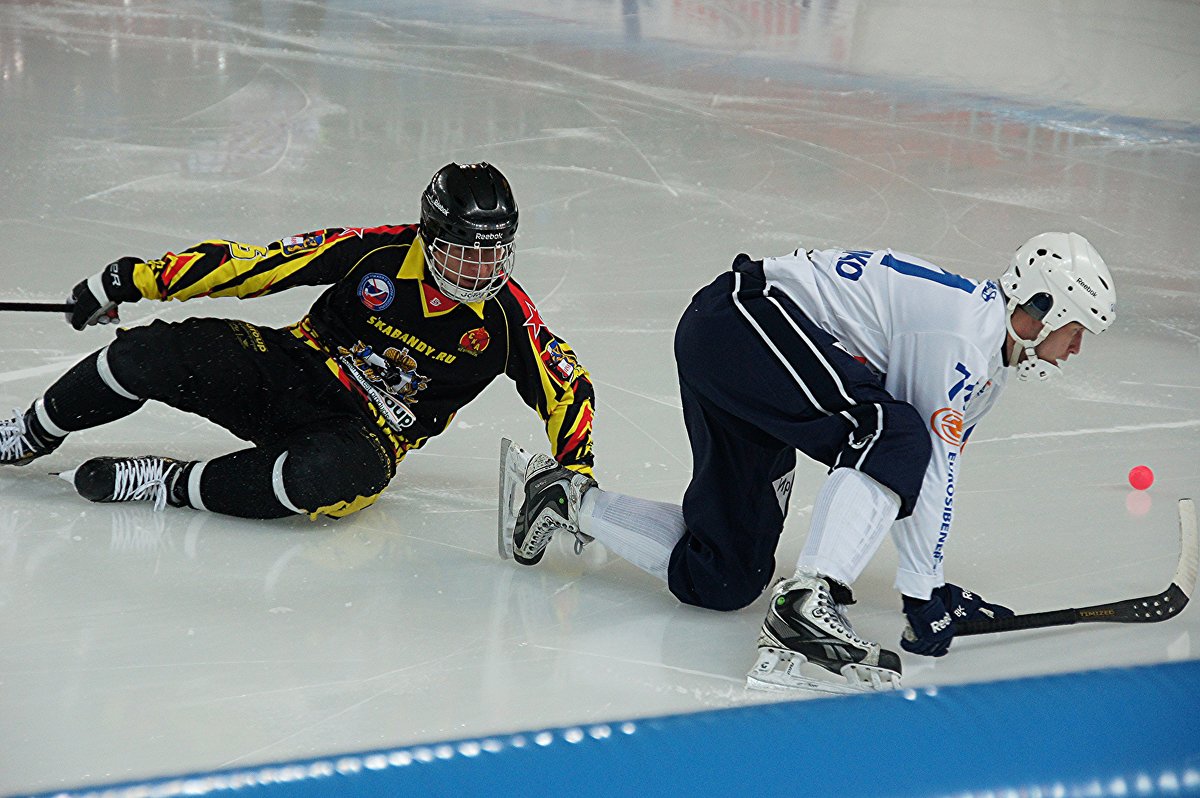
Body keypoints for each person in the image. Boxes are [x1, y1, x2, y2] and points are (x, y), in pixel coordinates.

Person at [498, 232, 1115, 694]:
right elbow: (921, 461)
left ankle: (565, 500)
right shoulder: (961, 335)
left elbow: (929, 475)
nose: (1077, 348)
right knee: (889, 432)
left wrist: (931, 589)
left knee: (725, 577)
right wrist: (923, 597)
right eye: (1077, 329)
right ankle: (807, 605)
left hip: (741, 350)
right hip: (743, 320)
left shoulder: (986, 364)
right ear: (1044, 310)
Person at [0, 162, 595, 520]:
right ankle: (27, 433)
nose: (482, 271)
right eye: (467, 252)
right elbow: (254, 267)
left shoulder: (508, 318)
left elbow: (569, 389)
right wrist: (132, 279)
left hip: (363, 435)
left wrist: (574, 469)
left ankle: (168, 483)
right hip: (290, 368)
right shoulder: (376, 249)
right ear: (431, 235)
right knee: (143, 354)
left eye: (495, 252)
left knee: (326, 482)